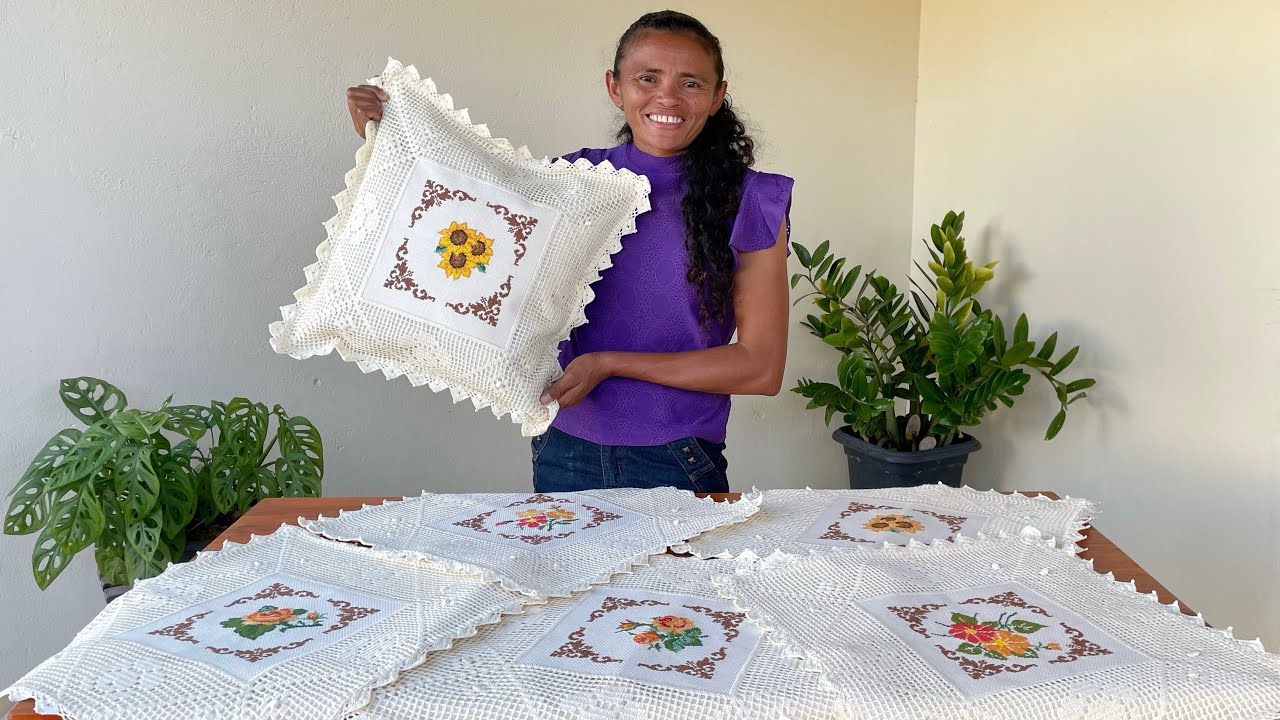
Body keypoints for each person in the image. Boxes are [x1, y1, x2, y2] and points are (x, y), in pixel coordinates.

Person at [346, 11, 792, 494]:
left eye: (690, 82)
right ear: (615, 87)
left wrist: (608, 362)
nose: (667, 96)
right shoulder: (572, 183)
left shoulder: (751, 200)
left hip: (678, 456)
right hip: (563, 448)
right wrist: (388, 136)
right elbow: (465, 228)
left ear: (717, 96)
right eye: (647, 78)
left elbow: (760, 367)